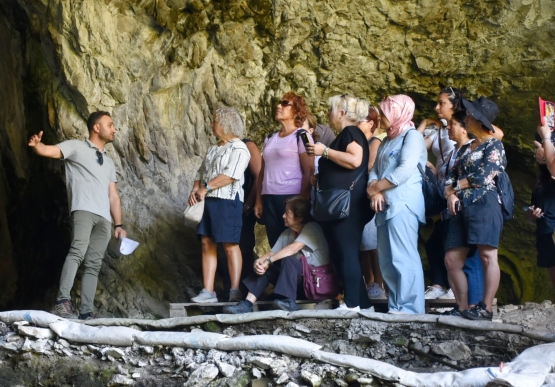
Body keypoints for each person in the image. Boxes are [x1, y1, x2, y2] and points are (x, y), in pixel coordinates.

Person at [28, 111, 127, 320]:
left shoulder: (109, 162)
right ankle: (62, 301)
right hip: (83, 209)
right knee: (77, 252)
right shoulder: (76, 147)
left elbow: (113, 195)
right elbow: (50, 151)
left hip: (104, 219)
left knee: (94, 263)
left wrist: (119, 225)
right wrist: (38, 146)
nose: (114, 129)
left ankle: (86, 312)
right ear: (96, 127)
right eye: (110, 125)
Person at [306, 94, 373, 311]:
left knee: (347, 253)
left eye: (330, 110)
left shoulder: (350, 132)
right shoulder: (346, 134)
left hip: (349, 206)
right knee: (343, 252)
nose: (328, 114)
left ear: (342, 113)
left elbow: (354, 160)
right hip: (343, 205)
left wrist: (323, 151)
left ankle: (352, 303)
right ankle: (363, 304)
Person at [443, 97, 506, 321]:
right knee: (452, 259)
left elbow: (484, 176)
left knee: (488, 255)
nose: (466, 118)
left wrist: (456, 187)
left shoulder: (494, 144)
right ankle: (462, 306)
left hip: (484, 203)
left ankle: (486, 308)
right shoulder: (466, 148)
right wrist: (450, 194)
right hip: (460, 207)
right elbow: (449, 176)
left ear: (480, 121)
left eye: (470, 115)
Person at [367, 95, 427, 314]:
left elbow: (404, 170)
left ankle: (411, 309)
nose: (380, 117)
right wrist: (374, 189)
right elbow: (374, 168)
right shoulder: (387, 139)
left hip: (403, 204)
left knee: (404, 256)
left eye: (383, 113)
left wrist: (377, 188)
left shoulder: (412, 137)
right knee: (388, 260)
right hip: (384, 207)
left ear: (396, 113)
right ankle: (397, 305)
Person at [223, 196, 329, 314]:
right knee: (268, 269)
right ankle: (247, 304)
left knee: (289, 260)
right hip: (299, 285)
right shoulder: (287, 233)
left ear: (299, 217)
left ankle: (289, 302)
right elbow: (271, 253)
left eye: (287, 213)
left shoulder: (312, 228)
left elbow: (292, 249)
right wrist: (259, 263)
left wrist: (268, 261)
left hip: (316, 285)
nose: (283, 216)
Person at [188, 107, 251, 303]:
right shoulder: (214, 149)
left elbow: (232, 175)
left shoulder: (239, 148)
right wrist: (195, 189)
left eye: (215, 121)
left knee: (230, 243)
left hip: (227, 201)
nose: (212, 125)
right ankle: (208, 291)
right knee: (207, 242)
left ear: (225, 124)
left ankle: (234, 289)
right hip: (209, 200)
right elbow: (201, 173)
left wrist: (205, 188)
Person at [438, 110, 485, 315]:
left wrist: (453, 190)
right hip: (452, 212)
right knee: (452, 260)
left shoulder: (472, 149)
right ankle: (463, 306)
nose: (448, 128)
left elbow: (477, 178)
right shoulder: (454, 152)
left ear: (464, 128)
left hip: (470, 209)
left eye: (452, 124)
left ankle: (474, 306)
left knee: (472, 260)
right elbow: (448, 181)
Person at [254, 92, 314, 247]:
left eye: (285, 103)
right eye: (279, 103)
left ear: (296, 111)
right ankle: (279, 271)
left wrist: (302, 201)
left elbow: (309, 170)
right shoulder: (270, 137)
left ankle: (296, 271)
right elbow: (262, 171)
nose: (278, 106)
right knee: (275, 242)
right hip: (269, 197)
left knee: (292, 241)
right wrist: (259, 200)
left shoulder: (302, 135)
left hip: (290, 197)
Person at [216, 137, 262, 300]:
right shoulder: (222, 147)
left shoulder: (248, 145)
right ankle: (230, 290)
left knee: (243, 246)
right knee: (223, 248)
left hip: (242, 205)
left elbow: (259, 176)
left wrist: (250, 204)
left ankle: (246, 293)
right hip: (225, 206)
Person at [358, 106, 386, 299]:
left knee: (372, 244)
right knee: (364, 245)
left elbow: (370, 168)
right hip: (363, 196)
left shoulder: (375, 141)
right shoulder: (365, 141)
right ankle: (370, 283)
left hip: (370, 195)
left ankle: (378, 283)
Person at [528, 123, 555, 290]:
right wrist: (531, 216)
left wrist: (546, 137)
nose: (536, 149)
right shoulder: (540, 181)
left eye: (539, 145)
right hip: (545, 233)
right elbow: (532, 211)